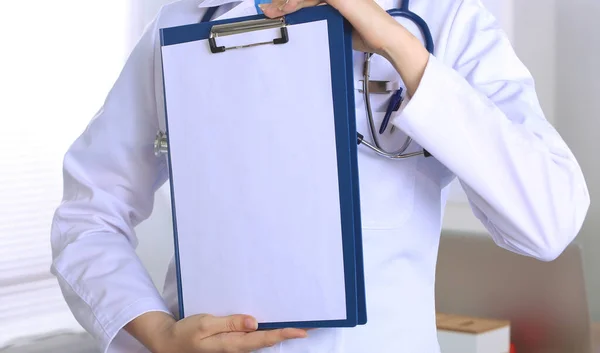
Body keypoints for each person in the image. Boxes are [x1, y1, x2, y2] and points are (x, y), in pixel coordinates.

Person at [50, 0, 590, 352]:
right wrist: (157, 335)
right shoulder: (185, 25)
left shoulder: (446, 24)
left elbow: (550, 220)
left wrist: (399, 48)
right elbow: (88, 215)